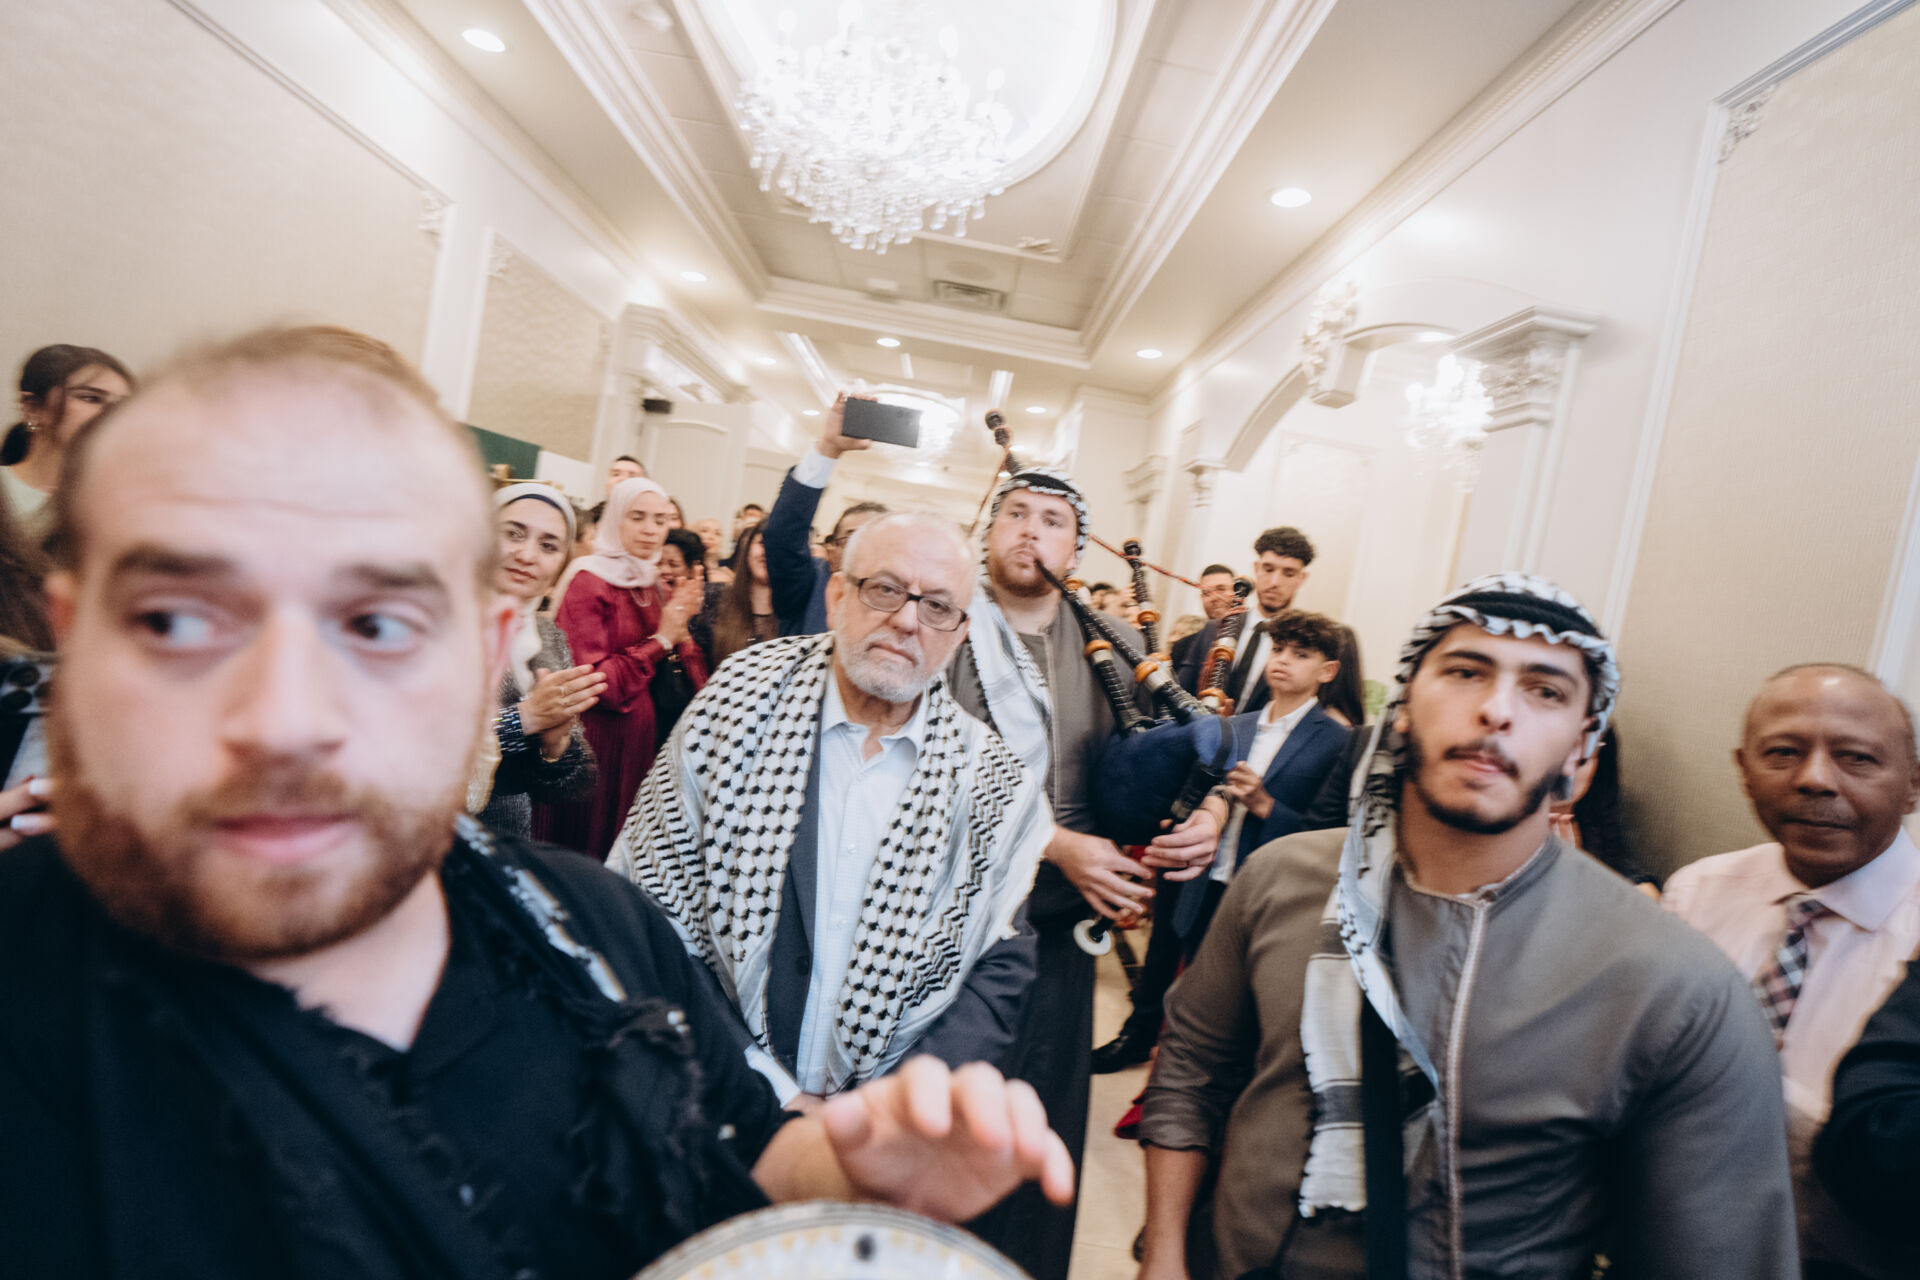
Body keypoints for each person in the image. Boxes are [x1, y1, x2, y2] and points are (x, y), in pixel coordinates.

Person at [0, 326, 1074, 1278]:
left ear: (484, 652)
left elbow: (756, 1145)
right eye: (180, 620)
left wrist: (855, 1171)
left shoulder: (587, 926)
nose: (282, 719)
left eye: (376, 625)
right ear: (74, 634)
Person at [1137, 574, 1796, 1280]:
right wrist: (1166, 1251)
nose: (1496, 711)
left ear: (1581, 752)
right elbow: (1192, 1069)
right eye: (1465, 673)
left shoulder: (1673, 983)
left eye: (1545, 691)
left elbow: (1713, 1251)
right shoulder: (1281, 878)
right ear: (1401, 712)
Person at [610, 511, 1050, 1106]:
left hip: (884, 1127)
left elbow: (999, 966)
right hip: (709, 1093)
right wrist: (765, 1091)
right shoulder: (737, 702)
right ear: (838, 595)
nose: (907, 620)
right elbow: (650, 908)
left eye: (937, 606)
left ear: (960, 632)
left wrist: (884, 1113)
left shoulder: (991, 780)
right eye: (885, 589)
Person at [946, 467, 1224, 1280]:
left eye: (1053, 520)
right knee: (944, 1120)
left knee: (1038, 1124)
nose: (1031, 531)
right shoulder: (946, 624)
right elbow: (917, 773)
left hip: (1063, 932)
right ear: (990, 529)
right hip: (944, 927)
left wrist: (1204, 819)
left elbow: (1187, 759)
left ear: (1077, 546)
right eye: (1016, 513)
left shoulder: (1116, 644)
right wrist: (1054, 843)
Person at [1666, 664, 1920, 1277]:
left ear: (1914, 783)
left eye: (1857, 758)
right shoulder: (1697, 892)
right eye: (1783, 752)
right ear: (1743, 768)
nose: (1814, 779)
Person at [1094, 611, 1351, 1075]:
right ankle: (1138, 1038)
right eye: (1279, 649)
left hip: (1255, 881)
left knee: (1219, 985)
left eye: (1301, 654)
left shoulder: (1335, 741)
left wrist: (1265, 805)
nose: (1283, 660)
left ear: (1327, 671)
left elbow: (1327, 831)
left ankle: (1196, 1068)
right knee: (1163, 959)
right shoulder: (1235, 724)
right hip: (1198, 869)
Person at [550, 476, 708, 859]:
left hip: (638, 741)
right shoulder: (590, 580)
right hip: (595, 740)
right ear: (615, 518)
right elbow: (592, 681)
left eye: (660, 519)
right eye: (637, 517)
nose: (651, 530)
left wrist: (682, 623)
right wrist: (661, 641)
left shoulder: (651, 582)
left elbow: (690, 671)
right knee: (583, 849)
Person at [472, 483, 603, 840]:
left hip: (506, 843)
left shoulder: (548, 637)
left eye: (548, 546)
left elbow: (574, 784)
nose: (527, 555)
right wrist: (523, 720)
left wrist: (555, 745)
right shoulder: (436, 621)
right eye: (513, 534)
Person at [759, 393, 888, 635]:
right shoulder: (809, 586)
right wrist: (828, 449)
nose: (863, 549)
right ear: (831, 551)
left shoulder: (902, 606)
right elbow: (783, 535)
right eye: (852, 538)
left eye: (876, 541)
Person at [1174, 528, 1315, 716]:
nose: (1275, 581)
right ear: (1256, 569)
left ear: (1302, 578)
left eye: (1288, 573)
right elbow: (1182, 694)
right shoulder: (1214, 629)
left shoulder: (1307, 644)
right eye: (1268, 569)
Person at [3, 344, 135, 521]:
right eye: (91, 398)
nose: (111, 414)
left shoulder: (120, 505)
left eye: (121, 406)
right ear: (32, 408)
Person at [707, 520, 780, 668]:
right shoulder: (715, 600)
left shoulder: (796, 619)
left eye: (778, 546)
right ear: (747, 548)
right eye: (762, 543)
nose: (768, 551)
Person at [1171, 564, 1235, 689]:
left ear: (1236, 592)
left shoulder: (1253, 640)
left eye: (1221, 589)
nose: (1214, 598)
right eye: (1206, 593)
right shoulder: (1182, 648)